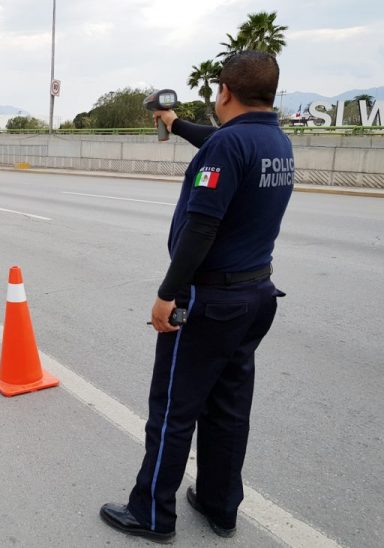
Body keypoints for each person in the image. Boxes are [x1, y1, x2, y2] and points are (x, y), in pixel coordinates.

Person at [100, 50, 294, 543]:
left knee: (173, 410)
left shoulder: (229, 147)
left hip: (211, 301)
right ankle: (219, 504)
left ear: (224, 92)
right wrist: (175, 122)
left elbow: (201, 227)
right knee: (229, 407)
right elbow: (219, 142)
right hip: (256, 295)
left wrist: (168, 293)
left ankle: (150, 514)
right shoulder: (275, 141)